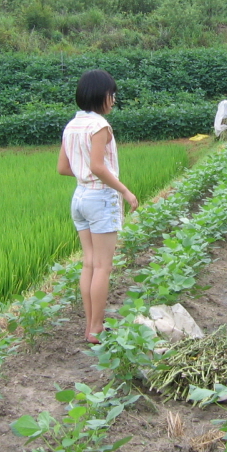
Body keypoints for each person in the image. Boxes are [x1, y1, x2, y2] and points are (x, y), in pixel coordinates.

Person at [58, 69, 139, 344]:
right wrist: (125, 191)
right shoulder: (100, 126)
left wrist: (86, 174)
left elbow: (63, 168)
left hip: (79, 198)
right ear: (104, 96)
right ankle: (96, 329)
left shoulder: (72, 125)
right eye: (113, 95)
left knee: (89, 264)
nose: (113, 100)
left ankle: (90, 327)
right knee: (103, 266)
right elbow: (97, 166)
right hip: (100, 198)